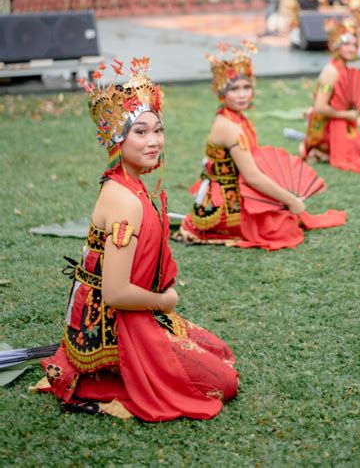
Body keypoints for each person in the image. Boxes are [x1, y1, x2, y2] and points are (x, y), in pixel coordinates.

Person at [35, 57, 238, 421]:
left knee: (219, 352)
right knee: (220, 383)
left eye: (157, 130)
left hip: (132, 314)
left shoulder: (130, 183)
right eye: (140, 132)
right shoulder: (125, 201)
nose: (154, 141)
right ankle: (104, 374)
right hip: (115, 324)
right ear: (117, 137)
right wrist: (163, 301)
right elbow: (115, 293)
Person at [174, 43, 346, 249]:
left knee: (284, 219)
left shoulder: (235, 117)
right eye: (234, 89)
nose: (242, 94)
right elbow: (253, 177)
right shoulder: (230, 128)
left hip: (236, 188)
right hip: (226, 203)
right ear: (221, 92)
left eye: (246, 87)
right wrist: (290, 200)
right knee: (282, 229)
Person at [300, 20, 360, 173]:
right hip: (326, 128)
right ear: (336, 45)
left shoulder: (345, 70)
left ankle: (323, 152)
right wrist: (346, 114)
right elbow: (320, 107)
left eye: (355, 45)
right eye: (347, 44)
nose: (352, 48)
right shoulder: (331, 72)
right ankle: (318, 149)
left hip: (342, 124)